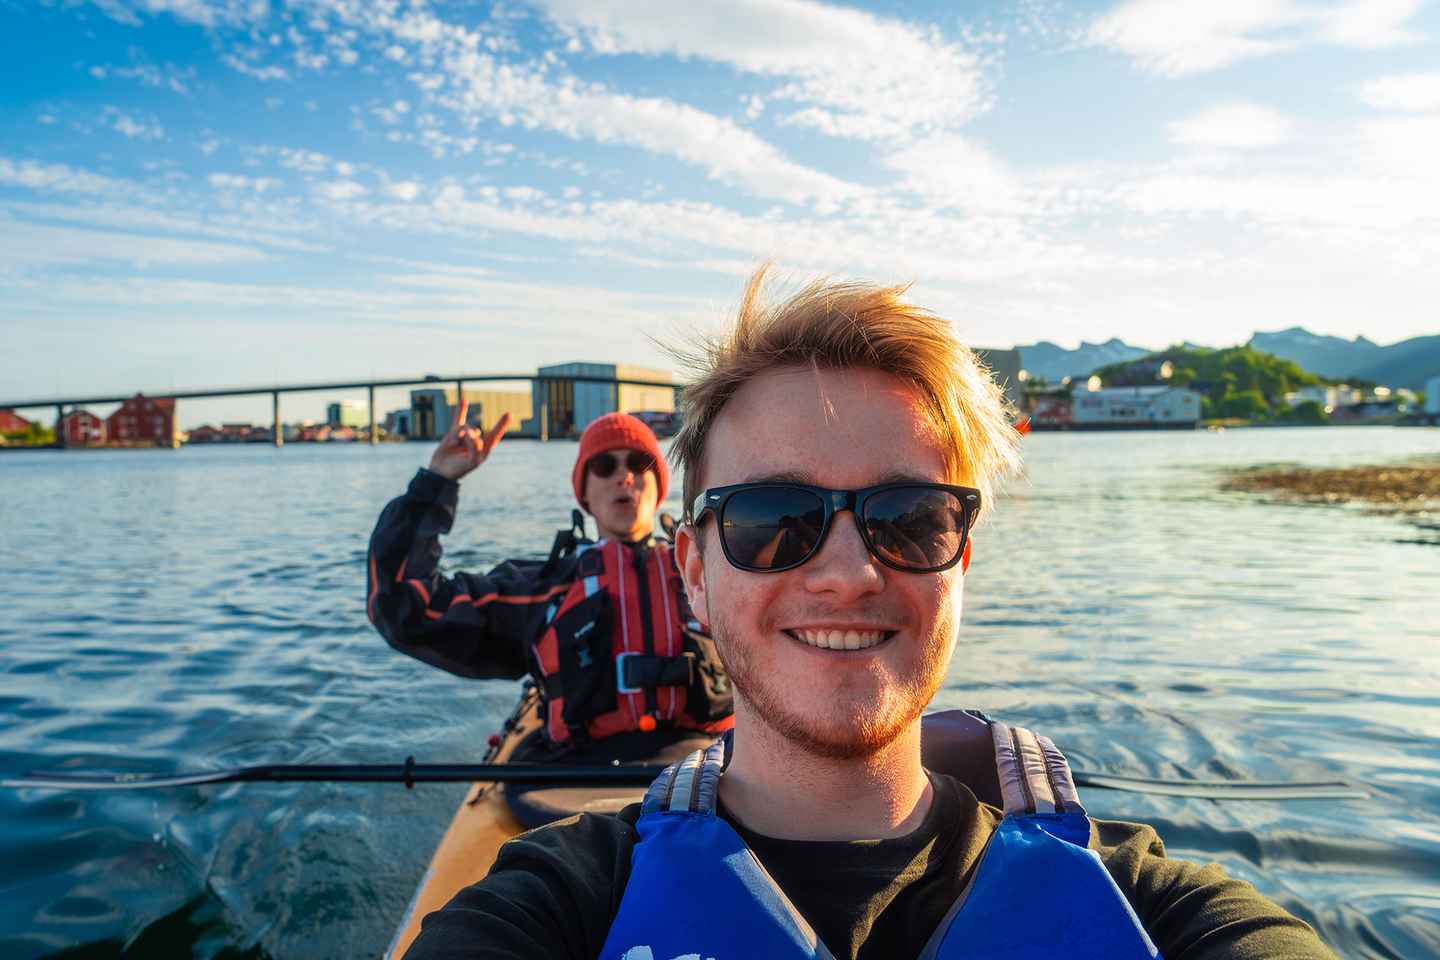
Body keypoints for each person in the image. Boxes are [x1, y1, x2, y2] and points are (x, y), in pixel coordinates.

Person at [402, 271, 1337, 959]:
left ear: (961, 554)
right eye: (772, 521)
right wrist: (433, 486)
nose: (847, 573)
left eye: (909, 518)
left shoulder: (1161, 909)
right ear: (694, 568)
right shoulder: (555, 906)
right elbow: (410, 608)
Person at [366, 401, 733, 761]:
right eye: (606, 466)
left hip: (707, 766)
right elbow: (405, 607)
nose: (625, 477)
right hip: (583, 774)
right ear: (584, 493)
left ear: (658, 484)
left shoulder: (714, 574)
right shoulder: (545, 589)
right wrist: (436, 483)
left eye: (639, 464)